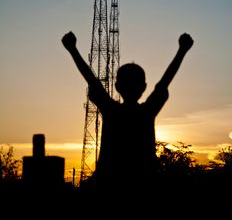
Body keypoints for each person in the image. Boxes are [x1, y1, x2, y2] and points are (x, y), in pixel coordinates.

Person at [61, 31, 194, 193]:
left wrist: (73, 50)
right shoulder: (146, 112)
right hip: (143, 184)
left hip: (109, 184)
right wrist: (182, 51)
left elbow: (92, 81)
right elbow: (164, 83)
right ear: (144, 88)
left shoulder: (112, 111)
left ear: (117, 87)